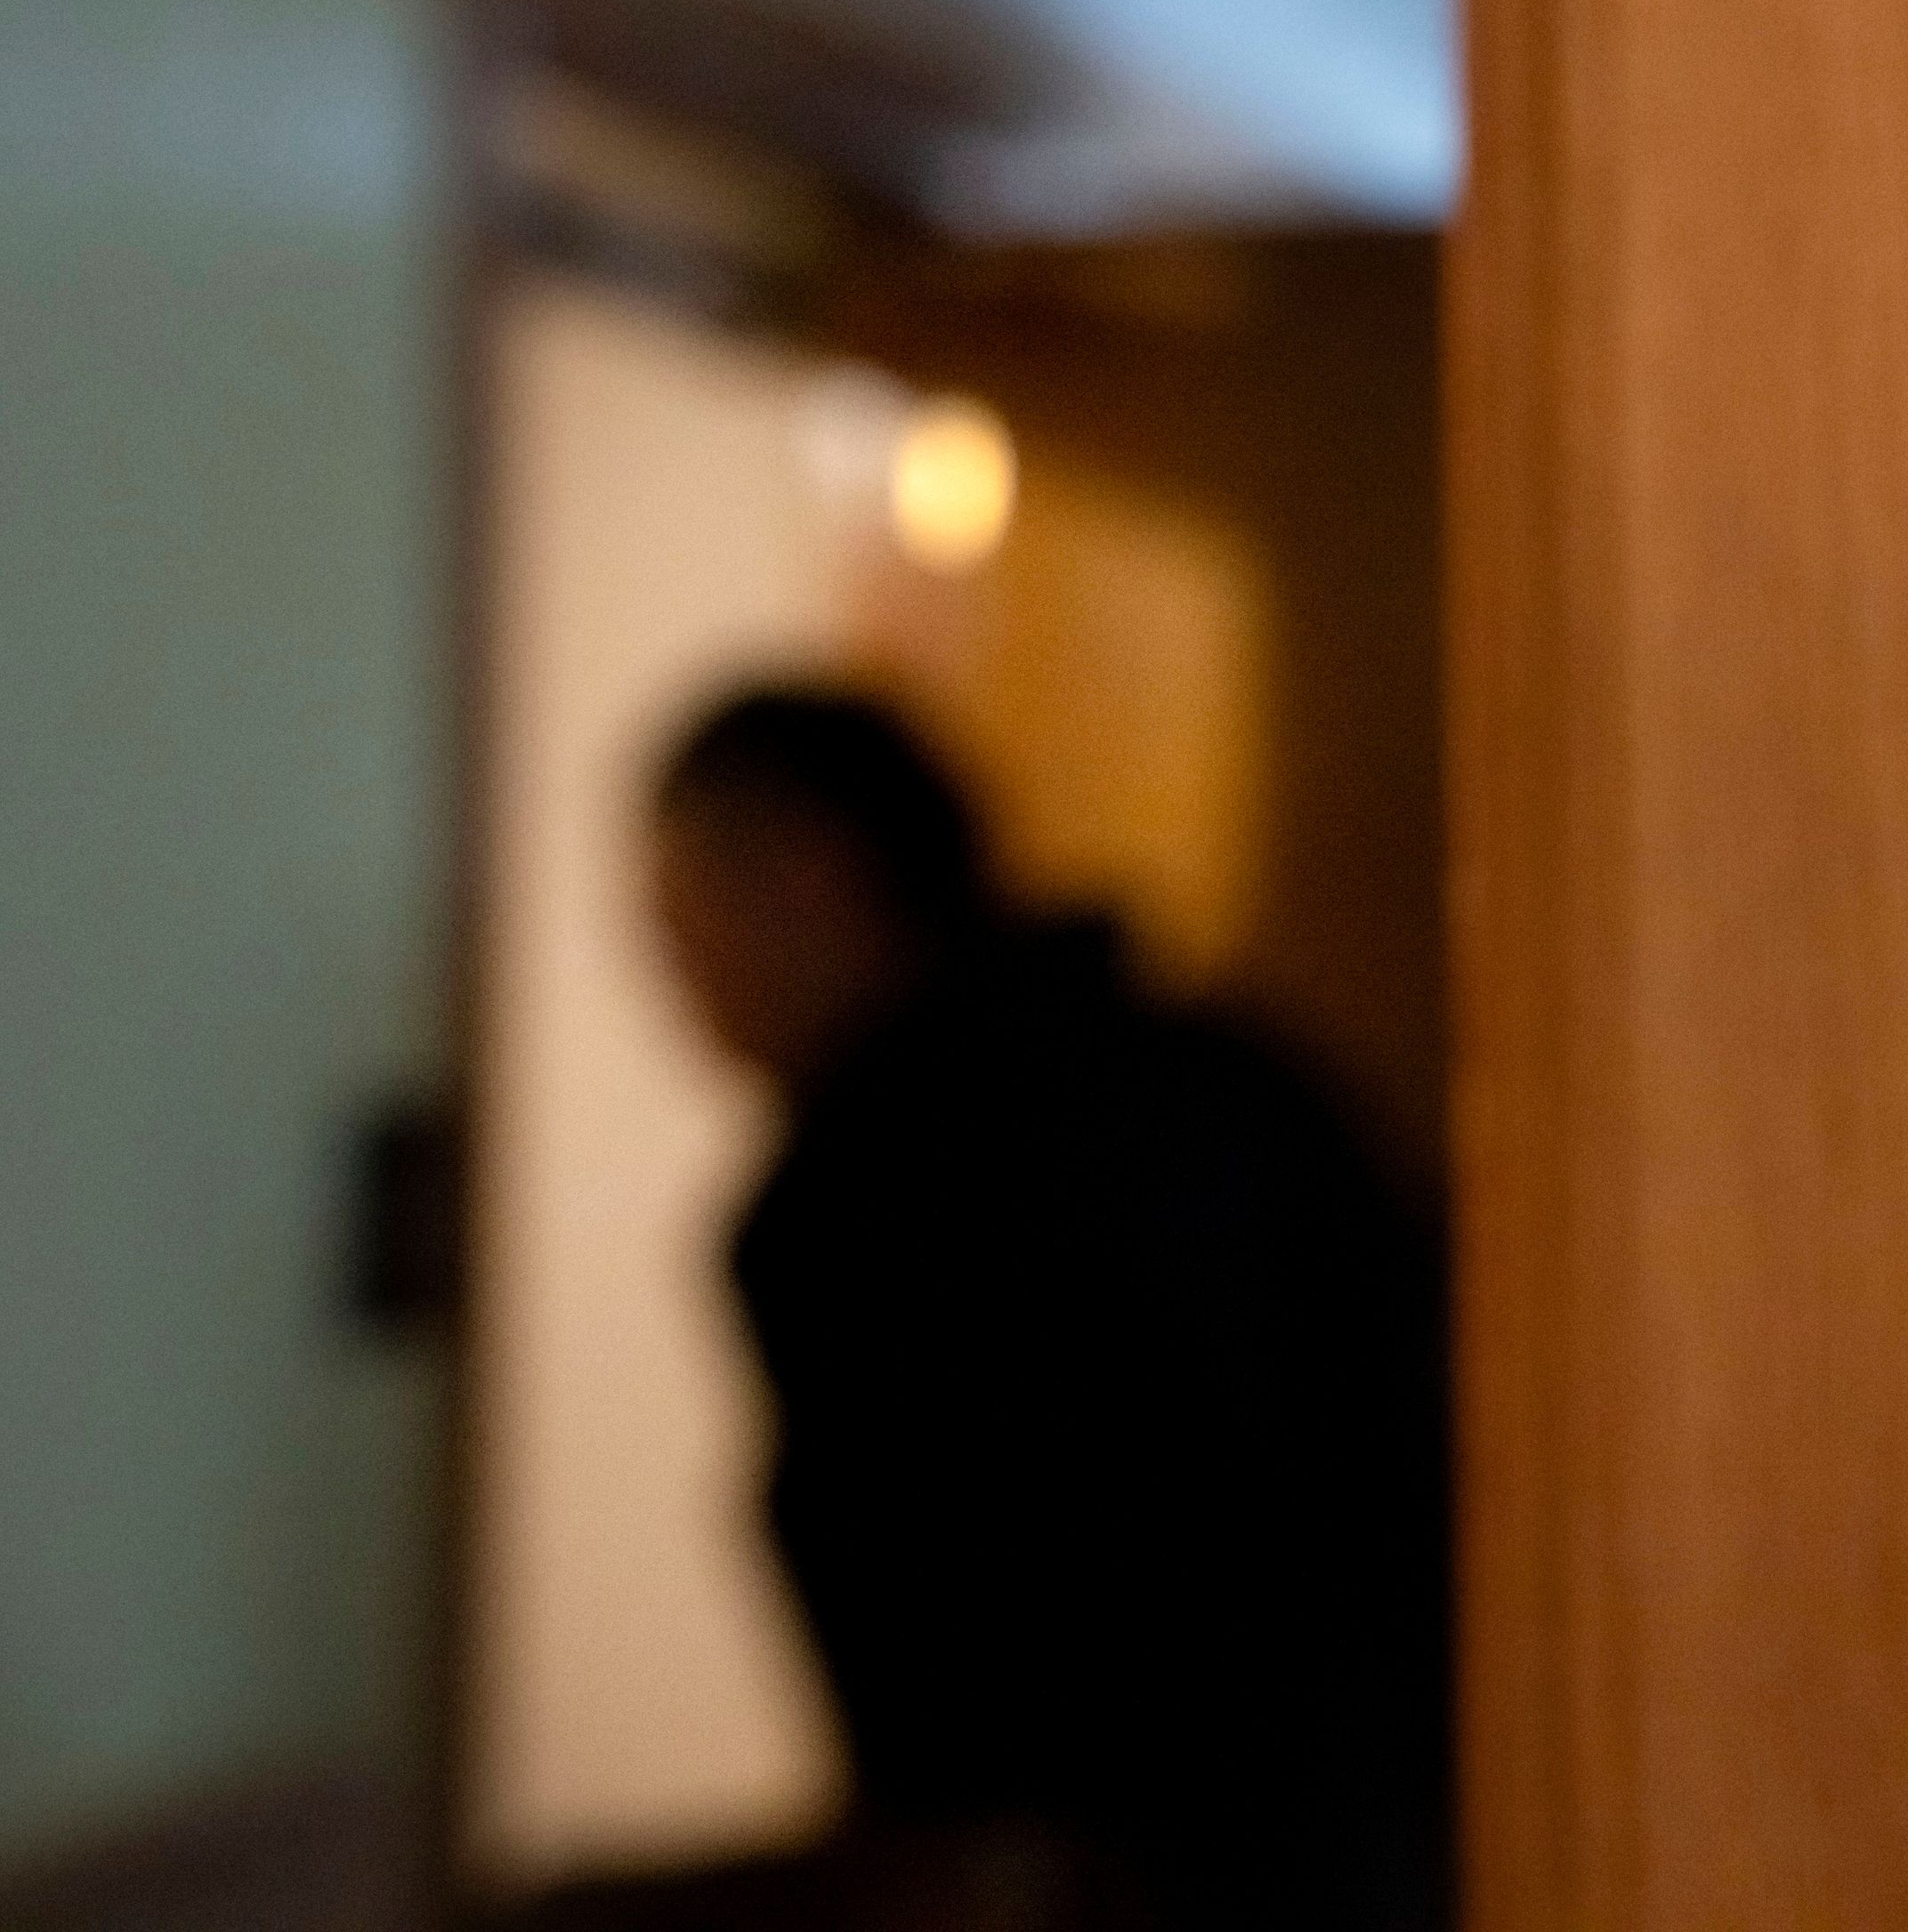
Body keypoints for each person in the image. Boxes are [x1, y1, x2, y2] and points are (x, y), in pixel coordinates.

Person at [554, 685, 1452, 1931]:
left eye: (679, 927)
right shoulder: (1226, 1075)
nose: (678, 992)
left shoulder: (870, 1193)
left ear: (813, 873)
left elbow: (966, 1669)